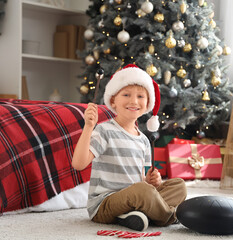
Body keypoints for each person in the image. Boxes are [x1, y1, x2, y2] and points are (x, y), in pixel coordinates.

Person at [72, 64, 187, 231]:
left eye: (140, 96)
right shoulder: (104, 130)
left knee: (179, 185)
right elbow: (78, 164)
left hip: (135, 198)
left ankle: (138, 215)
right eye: (126, 95)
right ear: (113, 101)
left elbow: (142, 182)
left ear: (147, 104)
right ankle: (170, 216)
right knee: (141, 191)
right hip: (104, 203)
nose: (134, 101)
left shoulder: (144, 140)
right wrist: (88, 127)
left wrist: (152, 182)